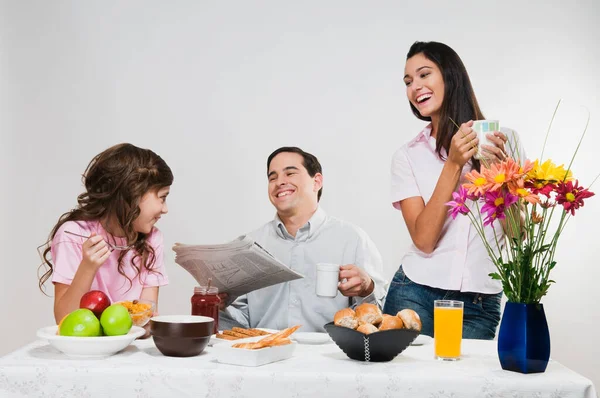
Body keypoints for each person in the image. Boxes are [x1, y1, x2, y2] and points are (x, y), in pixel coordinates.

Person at [383, 41, 526, 339]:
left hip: (479, 303)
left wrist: (500, 179)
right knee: (401, 386)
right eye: (408, 81)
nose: (414, 87)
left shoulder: (504, 140)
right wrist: (454, 166)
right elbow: (424, 241)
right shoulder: (407, 156)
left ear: (451, 75)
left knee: (467, 385)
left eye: (424, 75)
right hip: (414, 293)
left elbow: (516, 234)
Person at [220, 147, 387, 332]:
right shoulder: (248, 245)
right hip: (265, 354)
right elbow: (239, 325)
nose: (279, 182)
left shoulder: (352, 239)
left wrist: (367, 289)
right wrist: (219, 308)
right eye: (272, 177)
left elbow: (378, 319)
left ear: (317, 182)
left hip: (331, 356)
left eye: (290, 173)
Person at [39, 143, 173, 324]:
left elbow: (144, 316)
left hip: (130, 346)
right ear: (133, 194)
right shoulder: (74, 234)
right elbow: (64, 320)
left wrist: (148, 324)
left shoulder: (152, 240)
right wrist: (87, 267)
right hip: (86, 347)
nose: (165, 209)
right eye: (162, 198)